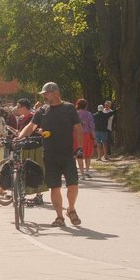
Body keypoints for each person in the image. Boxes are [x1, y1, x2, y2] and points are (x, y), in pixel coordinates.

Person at [18, 82, 81, 227]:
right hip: (49, 155)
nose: (44, 96)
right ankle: (59, 217)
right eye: (44, 94)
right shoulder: (42, 110)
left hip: (67, 154)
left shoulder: (69, 108)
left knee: (73, 184)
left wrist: (79, 148)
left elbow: (78, 128)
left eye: (46, 93)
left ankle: (71, 209)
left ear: (56, 93)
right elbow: (31, 126)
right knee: (55, 187)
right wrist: (19, 137)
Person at [9, 98, 45, 205]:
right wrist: (15, 132)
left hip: (35, 146)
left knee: (36, 170)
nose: (17, 109)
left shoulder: (33, 117)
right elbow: (21, 132)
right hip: (24, 146)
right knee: (25, 171)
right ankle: (24, 193)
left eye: (19, 106)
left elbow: (38, 131)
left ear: (24, 107)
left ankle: (39, 195)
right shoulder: (21, 118)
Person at [74, 99, 95, 179]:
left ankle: (82, 174)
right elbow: (92, 126)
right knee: (88, 154)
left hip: (77, 136)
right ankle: (87, 171)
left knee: (79, 154)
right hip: (87, 136)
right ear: (86, 105)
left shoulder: (75, 114)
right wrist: (94, 137)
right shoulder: (89, 114)